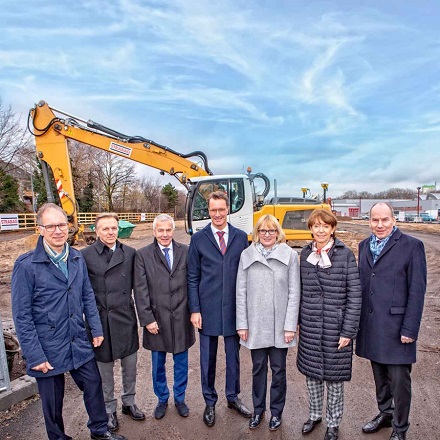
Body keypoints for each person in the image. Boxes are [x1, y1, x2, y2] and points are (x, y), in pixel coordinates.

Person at [11, 203, 125, 440]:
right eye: (50, 226)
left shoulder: (75, 257)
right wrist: (35, 355)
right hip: (47, 346)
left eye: (62, 224)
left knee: (93, 385)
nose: (57, 230)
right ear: (40, 229)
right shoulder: (27, 265)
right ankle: (58, 437)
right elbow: (22, 315)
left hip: (77, 339)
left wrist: (95, 328)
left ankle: (100, 430)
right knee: (53, 401)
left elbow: (86, 295)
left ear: (68, 226)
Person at [356, 202, 427, 440]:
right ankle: (385, 413)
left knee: (399, 381)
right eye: (375, 220)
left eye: (384, 220)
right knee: (379, 376)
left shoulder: (412, 246)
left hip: (397, 329)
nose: (380, 225)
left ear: (393, 220)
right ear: (369, 221)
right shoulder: (364, 245)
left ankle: (400, 428)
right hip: (372, 326)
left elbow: (417, 292)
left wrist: (410, 328)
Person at [188, 191, 252, 427]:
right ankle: (210, 401)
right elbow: (192, 277)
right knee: (208, 358)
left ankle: (233, 397)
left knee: (233, 357)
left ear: (228, 210)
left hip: (234, 309)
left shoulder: (240, 237)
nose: (217, 214)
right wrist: (195, 309)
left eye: (221, 210)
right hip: (208, 309)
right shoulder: (198, 239)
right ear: (209, 211)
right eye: (213, 210)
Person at [297, 209, 361, 440]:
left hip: (336, 327)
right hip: (312, 326)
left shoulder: (345, 255)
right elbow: (299, 291)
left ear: (333, 228)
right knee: (312, 375)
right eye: (316, 226)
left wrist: (348, 331)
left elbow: (355, 295)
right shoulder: (305, 254)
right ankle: (314, 415)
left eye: (325, 226)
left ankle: (333, 423)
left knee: (334, 379)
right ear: (311, 229)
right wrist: (298, 322)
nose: (321, 230)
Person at [236, 214, 300, 432]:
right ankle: (258, 411)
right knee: (257, 369)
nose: (267, 235)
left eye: (271, 231)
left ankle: (276, 412)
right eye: (263, 231)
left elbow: (294, 293)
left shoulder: (289, 255)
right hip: (255, 323)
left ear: (278, 233)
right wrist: (242, 324)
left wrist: (290, 325)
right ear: (257, 233)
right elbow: (241, 291)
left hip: (281, 325)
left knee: (279, 371)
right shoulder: (247, 255)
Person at [81, 213, 144, 433]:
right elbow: (83, 292)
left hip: (126, 318)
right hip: (101, 321)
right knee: (104, 371)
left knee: (130, 367)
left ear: (119, 229)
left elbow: (140, 287)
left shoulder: (130, 253)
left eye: (114, 228)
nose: (110, 232)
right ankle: (109, 409)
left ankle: (129, 402)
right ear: (96, 231)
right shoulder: (85, 255)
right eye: (105, 229)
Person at [134, 214, 195, 419]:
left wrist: (194, 311)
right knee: (158, 364)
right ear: (154, 232)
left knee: (181, 362)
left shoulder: (186, 251)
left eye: (168, 230)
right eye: (160, 230)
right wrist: (147, 319)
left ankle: (180, 398)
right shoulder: (142, 255)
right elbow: (140, 290)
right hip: (156, 320)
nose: (165, 234)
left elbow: (192, 283)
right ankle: (162, 398)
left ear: (173, 230)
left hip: (181, 318)